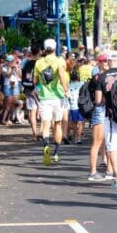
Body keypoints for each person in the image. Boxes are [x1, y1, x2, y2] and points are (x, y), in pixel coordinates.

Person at [97, 49, 117, 189]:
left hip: (111, 116)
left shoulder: (103, 76)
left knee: (113, 149)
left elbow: (99, 100)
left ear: (108, 61)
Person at [34, 38, 69, 166]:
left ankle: (46, 147)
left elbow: (35, 81)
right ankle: (56, 153)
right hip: (57, 96)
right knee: (58, 124)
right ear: (55, 48)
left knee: (46, 123)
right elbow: (62, 76)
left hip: (44, 97)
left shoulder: (38, 63)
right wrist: (66, 90)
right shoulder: (59, 61)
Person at [21, 45, 41, 140]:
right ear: (39, 52)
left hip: (28, 89)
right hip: (39, 89)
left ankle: (34, 134)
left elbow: (23, 74)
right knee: (44, 112)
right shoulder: (40, 62)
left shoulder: (26, 62)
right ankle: (41, 132)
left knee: (32, 112)